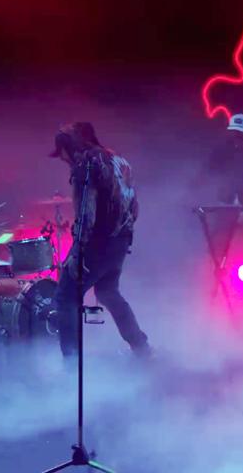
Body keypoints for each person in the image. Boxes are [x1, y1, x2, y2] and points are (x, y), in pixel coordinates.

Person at [51, 122, 150, 358]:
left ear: (71, 147)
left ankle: (71, 364)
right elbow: (134, 207)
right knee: (108, 292)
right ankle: (141, 348)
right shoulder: (120, 161)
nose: (62, 159)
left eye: (62, 152)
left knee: (66, 297)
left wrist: (77, 252)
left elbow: (86, 214)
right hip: (120, 241)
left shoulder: (85, 164)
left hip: (97, 243)